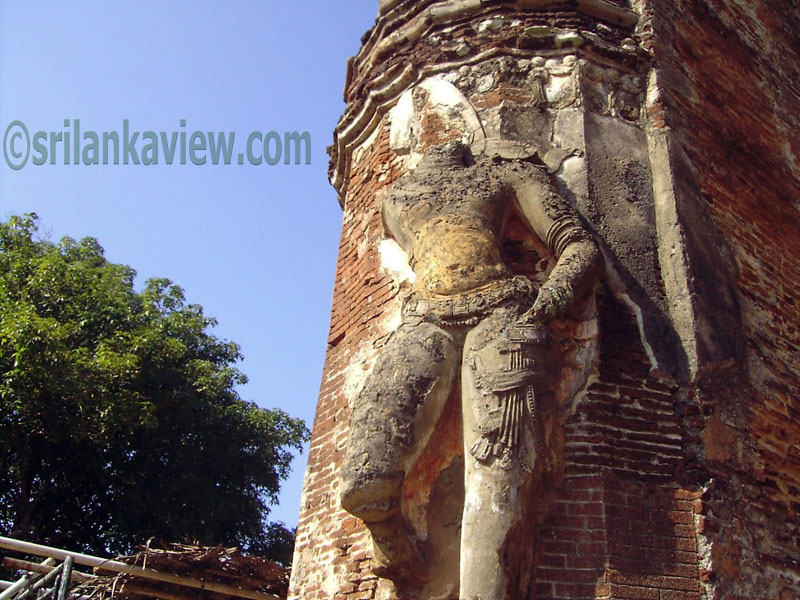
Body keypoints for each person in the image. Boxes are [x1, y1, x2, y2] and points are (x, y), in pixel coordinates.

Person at [339, 141, 602, 598]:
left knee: (497, 481)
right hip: (426, 318)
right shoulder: (395, 196)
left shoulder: (501, 175)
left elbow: (579, 246)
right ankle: (395, 549)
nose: (445, 145)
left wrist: (554, 294)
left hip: (502, 312)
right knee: (366, 473)